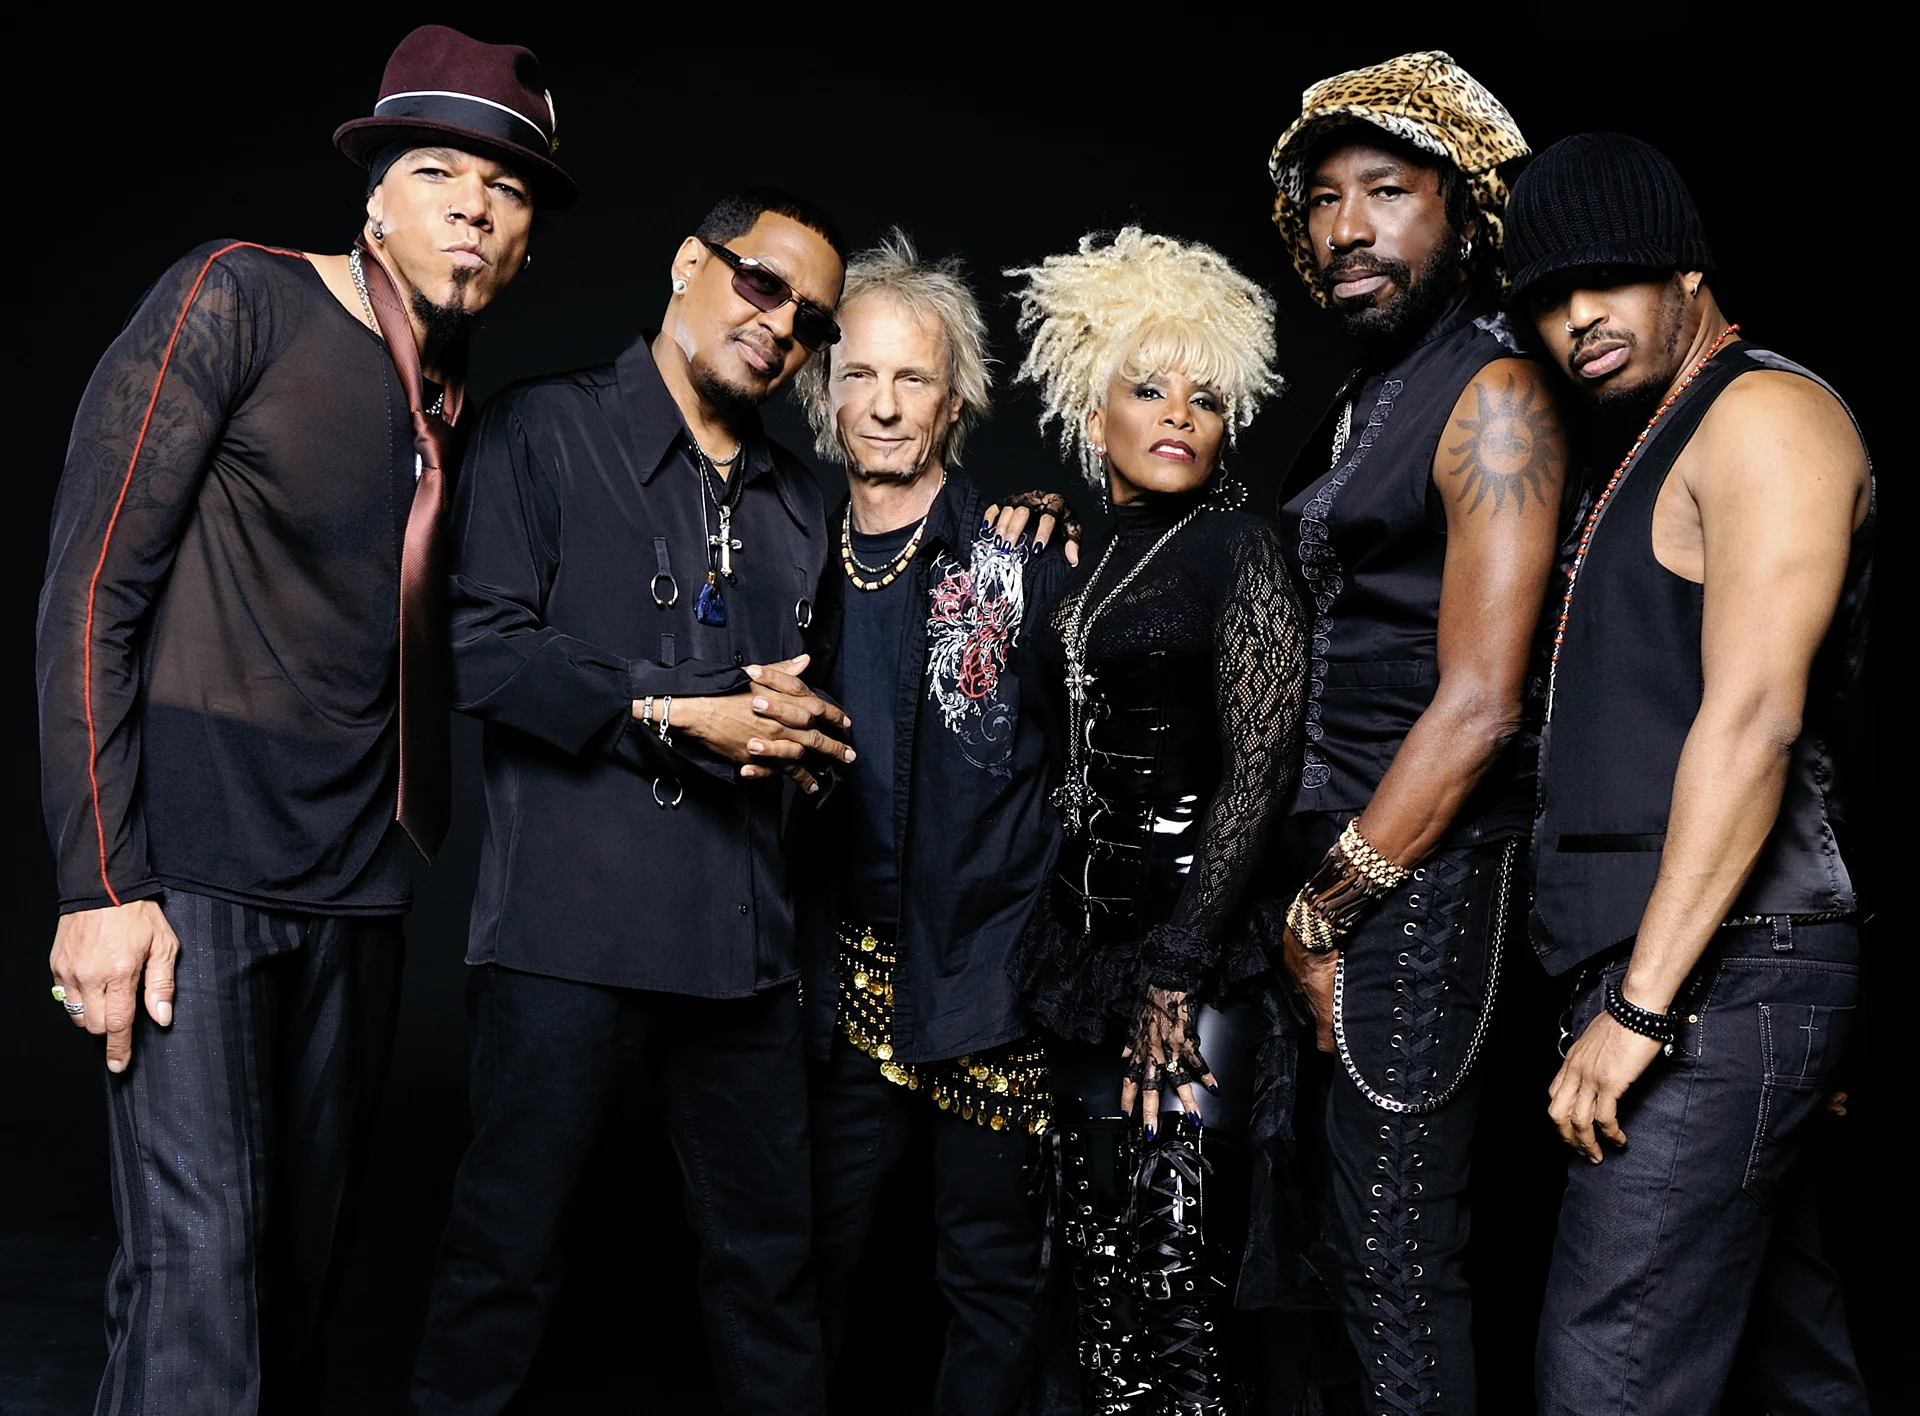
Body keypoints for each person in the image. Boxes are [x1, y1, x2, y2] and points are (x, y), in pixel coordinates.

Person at [34, 26, 566, 1413]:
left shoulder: (454, 407)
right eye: (438, 170)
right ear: (375, 194)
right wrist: (101, 885)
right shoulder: (238, 298)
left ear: (526, 246)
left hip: (358, 894)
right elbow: (90, 591)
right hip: (189, 887)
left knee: (293, 1289)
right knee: (199, 1279)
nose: (473, 205)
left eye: (506, 189)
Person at [407, 188, 854, 1416]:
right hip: (566, 936)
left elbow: (798, 714)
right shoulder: (545, 430)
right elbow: (474, 650)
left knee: (772, 1278)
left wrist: (804, 744)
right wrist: (681, 709)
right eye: (761, 283)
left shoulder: (799, 501)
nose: (781, 326)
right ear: (688, 264)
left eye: (812, 320)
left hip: (743, 952)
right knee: (502, 1261)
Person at [1505, 133, 1873, 1416]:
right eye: (1549, 297)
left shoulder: (1765, 415)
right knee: (1789, 1373)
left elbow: (1756, 718)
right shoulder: (1655, 437)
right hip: (1704, 973)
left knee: (1607, 1379)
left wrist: (1644, 1009)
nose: (1577, 319)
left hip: (1718, 976)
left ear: (1689, 272)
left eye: (1606, 278)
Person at [1263, 51, 1568, 1416]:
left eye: (1387, 191)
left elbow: (1484, 701)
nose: (1347, 228)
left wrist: (1326, 908)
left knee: (1395, 1265)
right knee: (1344, 1263)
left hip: (1420, 882)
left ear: (1463, 211)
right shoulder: (1367, 397)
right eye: (1326, 199)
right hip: (1352, 870)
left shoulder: (1493, 393)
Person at [1005, 226, 1306, 1414]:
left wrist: (1176, 970)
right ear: (1095, 411)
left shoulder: (1243, 546)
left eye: (1207, 396)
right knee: (1094, 1284)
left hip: (1198, 953)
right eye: (1148, 388)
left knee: (1179, 1283)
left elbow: (1259, 770)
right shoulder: (1080, 563)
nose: (1180, 413)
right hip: (1083, 956)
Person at [789, 230, 1066, 1414]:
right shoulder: (786, 558)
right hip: (834, 979)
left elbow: (1095, 767)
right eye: (859, 373)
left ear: (956, 401)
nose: (886, 404)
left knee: (993, 1280)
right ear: (824, 390)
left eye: (914, 378)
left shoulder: (1017, 560)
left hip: (986, 977)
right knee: (802, 1262)